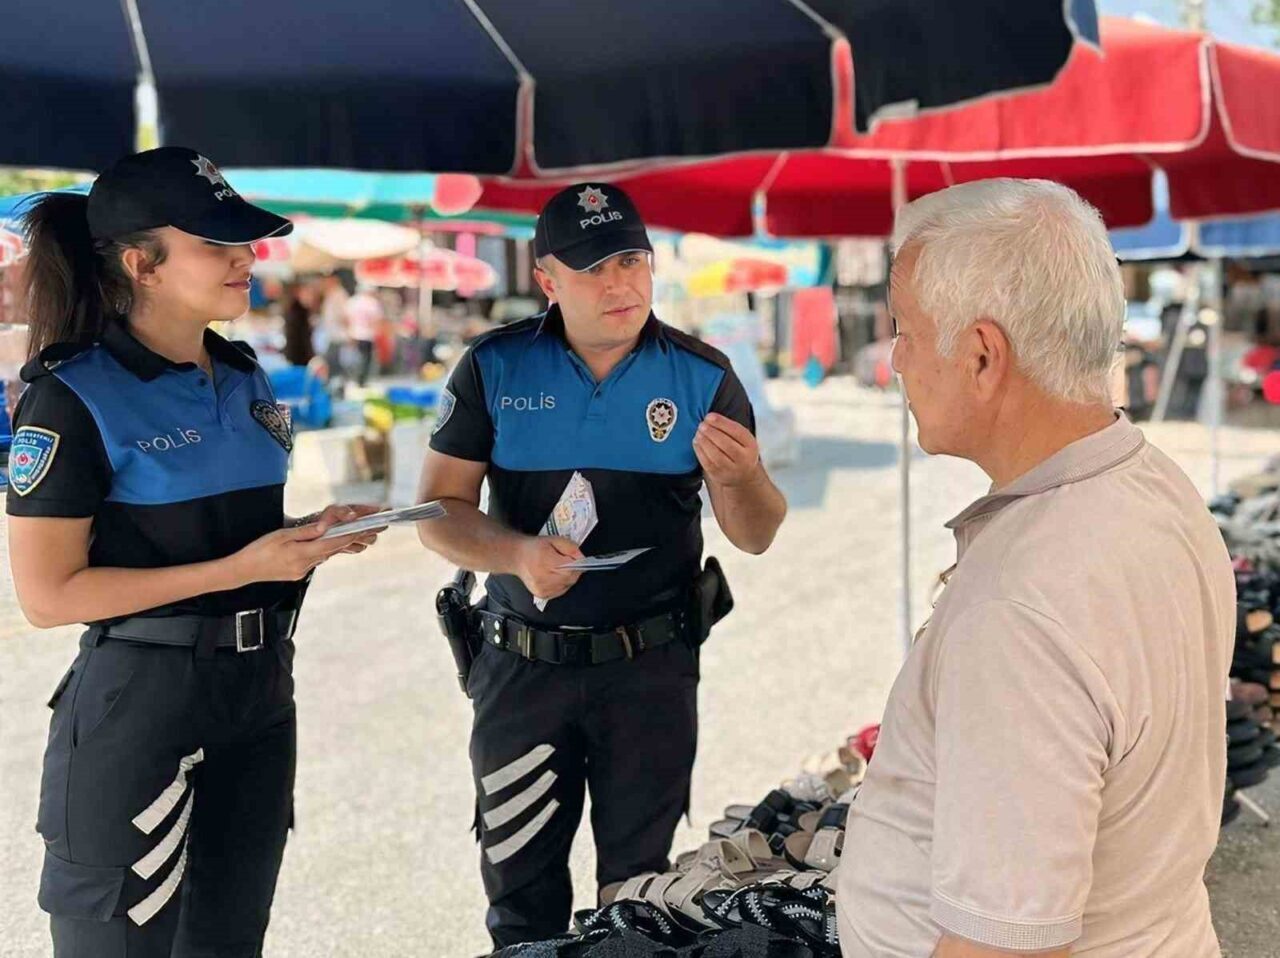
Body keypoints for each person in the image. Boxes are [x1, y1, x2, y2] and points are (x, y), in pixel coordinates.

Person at [834, 179, 1234, 958]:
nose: (895, 364)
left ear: (983, 355)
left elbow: (1006, 945)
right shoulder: (1155, 485)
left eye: (905, 331)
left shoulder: (1021, 607)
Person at [6, 147, 386, 957]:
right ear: (143, 263)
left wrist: (310, 536)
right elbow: (47, 597)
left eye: (243, 242)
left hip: (257, 699)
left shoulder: (244, 376)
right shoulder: (70, 396)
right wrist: (240, 571)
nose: (247, 258)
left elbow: (235, 536)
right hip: (139, 703)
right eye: (217, 245)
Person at [417, 183, 787, 948]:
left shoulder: (701, 376)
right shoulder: (494, 368)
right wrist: (517, 554)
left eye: (631, 261)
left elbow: (755, 534)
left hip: (649, 673)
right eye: (593, 269)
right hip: (521, 669)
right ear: (548, 279)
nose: (619, 284)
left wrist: (743, 476)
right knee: (519, 904)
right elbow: (438, 512)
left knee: (639, 900)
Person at [344, 284, 384, 387]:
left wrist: (349, 332)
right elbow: (377, 320)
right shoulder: (372, 303)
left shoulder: (352, 302)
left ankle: (355, 379)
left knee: (356, 359)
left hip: (354, 333)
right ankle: (360, 380)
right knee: (365, 359)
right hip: (367, 335)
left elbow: (346, 319)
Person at [281, 280, 316, 367]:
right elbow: (303, 337)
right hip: (299, 354)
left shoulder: (295, 310)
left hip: (296, 354)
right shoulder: (298, 312)